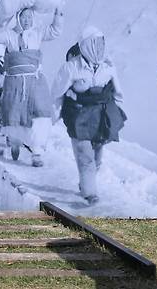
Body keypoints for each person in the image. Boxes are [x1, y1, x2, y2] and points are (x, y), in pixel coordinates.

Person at [52, 26, 126, 205]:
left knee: (96, 158)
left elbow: (117, 91)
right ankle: (90, 193)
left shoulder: (108, 66)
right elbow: (57, 93)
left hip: (100, 118)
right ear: (85, 46)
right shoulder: (71, 68)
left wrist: (115, 112)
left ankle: (85, 182)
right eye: (95, 44)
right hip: (79, 118)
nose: (99, 48)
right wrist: (51, 118)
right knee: (85, 156)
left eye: (101, 43)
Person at [0, 5, 64, 167]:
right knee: (14, 114)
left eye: (30, 17)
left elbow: (55, 32)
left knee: (40, 114)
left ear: (34, 18)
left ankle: (37, 152)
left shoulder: (37, 33)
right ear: (18, 18)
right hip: (15, 82)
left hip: (34, 81)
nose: (27, 20)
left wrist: (58, 15)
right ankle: (15, 141)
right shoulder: (10, 35)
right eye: (24, 17)